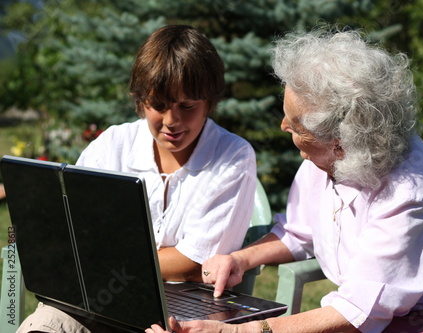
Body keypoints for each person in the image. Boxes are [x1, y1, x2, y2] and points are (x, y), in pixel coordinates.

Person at [146, 29, 423, 333]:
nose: (284, 127)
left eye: (296, 125)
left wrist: (253, 328)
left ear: (342, 141)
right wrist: (241, 259)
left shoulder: (410, 190)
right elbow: (300, 232)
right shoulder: (320, 159)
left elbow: (362, 310)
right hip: (379, 313)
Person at [17, 25, 256, 333]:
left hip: (182, 309)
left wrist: (101, 260)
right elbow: (73, 230)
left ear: (209, 103)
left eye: (187, 106)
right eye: (159, 105)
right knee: (44, 326)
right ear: (141, 100)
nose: (172, 121)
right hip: (97, 296)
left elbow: (194, 263)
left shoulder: (233, 156)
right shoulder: (113, 145)